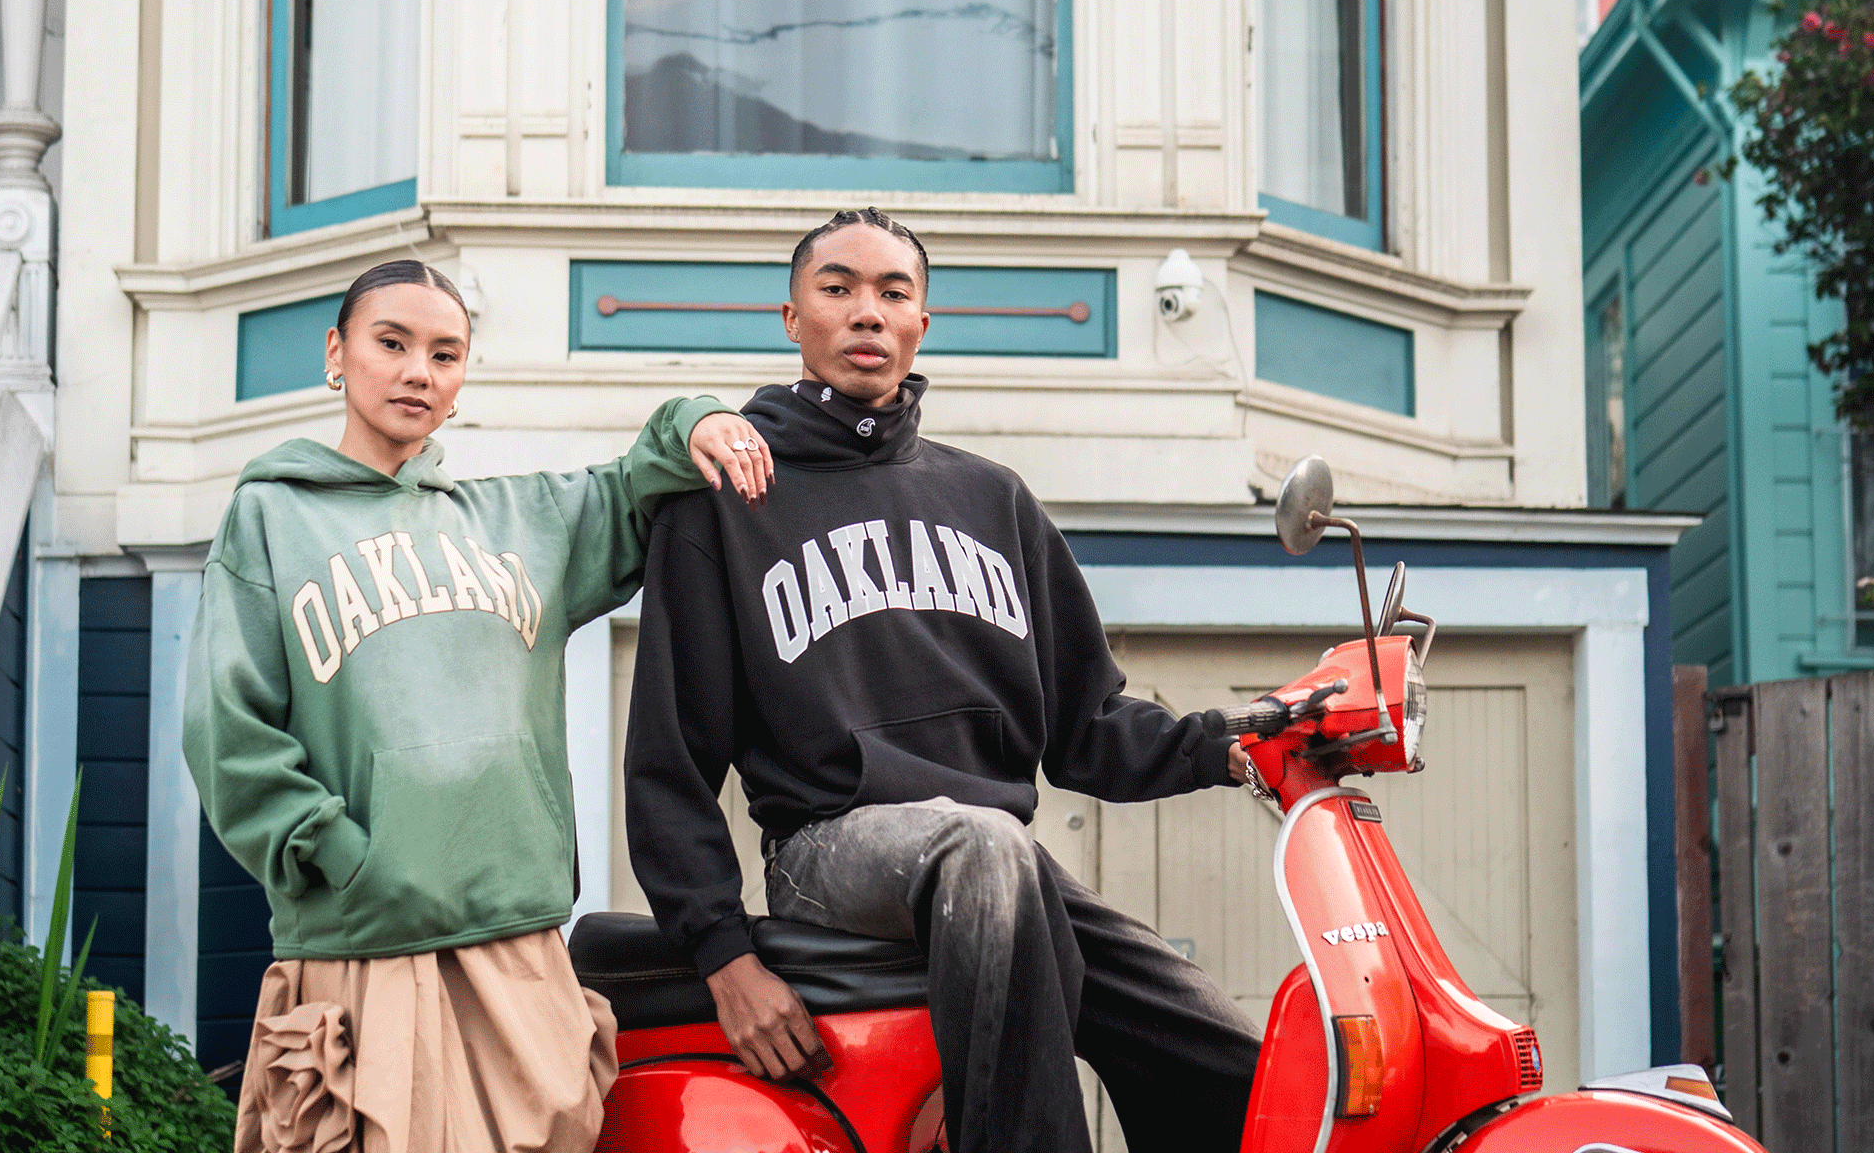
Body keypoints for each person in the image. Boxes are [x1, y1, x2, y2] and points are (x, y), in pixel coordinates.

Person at [620, 209, 1267, 1153]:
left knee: (1228, 1059)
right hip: (827, 850)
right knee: (986, 844)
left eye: (894, 293)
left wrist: (1248, 736)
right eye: (836, 289)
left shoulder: (992, 498)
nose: (866, 313)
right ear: (792, 318)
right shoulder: (726, 499)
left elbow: (1088, 730)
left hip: (991, 866)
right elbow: (671, 758)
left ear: (924, 321)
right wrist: (722, 955)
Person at [184, 259, 776, 1153]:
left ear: (461, 382)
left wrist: (705, 416)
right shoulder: (270, 518)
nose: (419, 370)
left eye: (445, 353)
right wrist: (341, 855)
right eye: (393, 344)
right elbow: (228, 728)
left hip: (518, 942)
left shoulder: (518, 522)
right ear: (337, 353)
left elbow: (638, 476)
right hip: (362, 943)